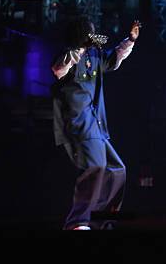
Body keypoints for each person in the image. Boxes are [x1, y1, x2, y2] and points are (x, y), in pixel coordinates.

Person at [51, 16, 141, 230]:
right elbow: (58, 69)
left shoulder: (95, 53)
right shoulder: (68, 55)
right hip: (78, 122)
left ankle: (101, 220)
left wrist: (130, 40)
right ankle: (78, 222)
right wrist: (79, 47)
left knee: (116, 169)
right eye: (89, 35)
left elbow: (114, 58)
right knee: (96, 166)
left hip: (97, 123)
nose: (93, 39)